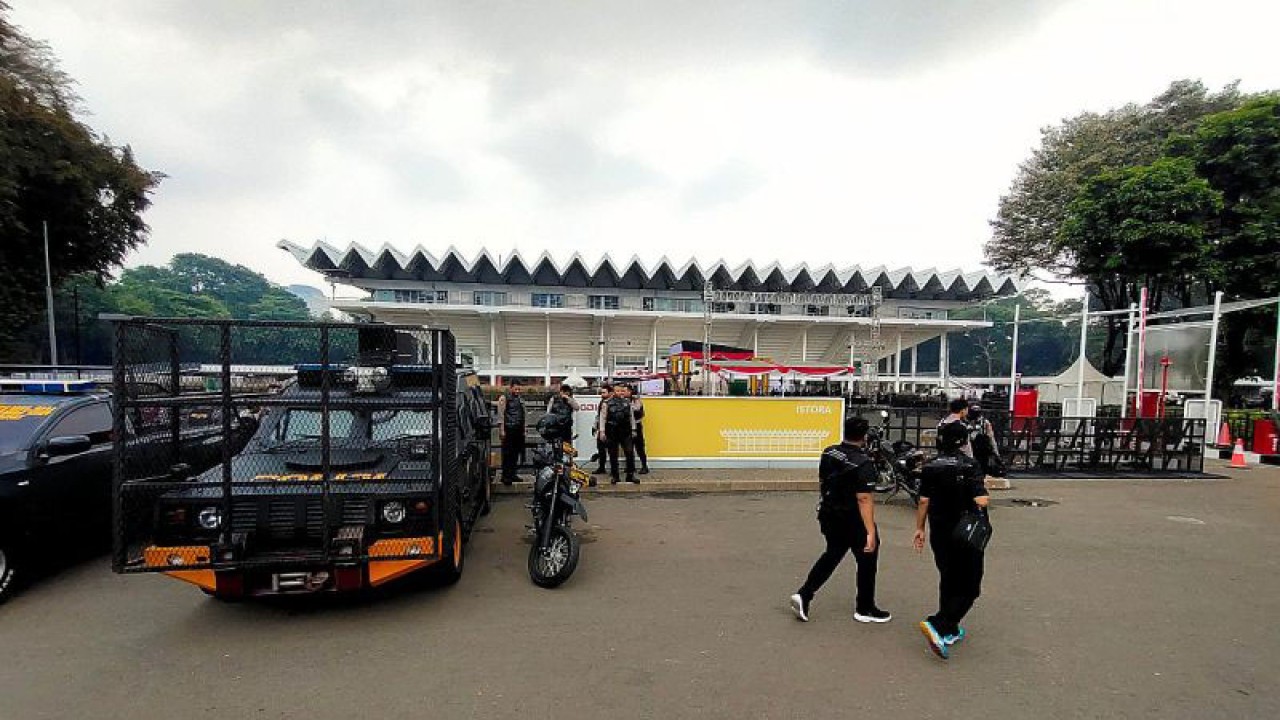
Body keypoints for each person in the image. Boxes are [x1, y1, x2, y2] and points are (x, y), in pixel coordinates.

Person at [789, 416, 891, 624]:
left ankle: (805, 594)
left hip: (829, 514)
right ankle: (865, 608)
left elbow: (822, 480)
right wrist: (870, 531)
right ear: (864, 436)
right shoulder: (863, 463)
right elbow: (864, 499)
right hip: (852, 519)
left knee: (833, 554)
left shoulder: (829, 451)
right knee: (867, 559)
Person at [913, 421, 990, 660]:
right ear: (964, 441)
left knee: (948, 577)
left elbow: (923, 500)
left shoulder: (930, 465)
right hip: (965, 532)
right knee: (971, 585)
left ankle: (949, 628)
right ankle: (940, 624)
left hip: (940, 530)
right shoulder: (970, 464)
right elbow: (981, 500)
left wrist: (919, 528)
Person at [598, 383, 638, 484]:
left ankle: (630, 475)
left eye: (622, 391)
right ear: (613, 392)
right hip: (612, 431)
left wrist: (633, 429)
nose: (620, 393)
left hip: (626, 431)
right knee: (613, 454)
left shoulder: (627, 403)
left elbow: (631, 417)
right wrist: (602, 431)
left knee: (629, 452)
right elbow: (602, 418)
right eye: (618, 391)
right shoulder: (606, 403)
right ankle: (615, 476)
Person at [496, 382, 526, 484]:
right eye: (516, 389)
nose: (517, 391)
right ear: (511, 388)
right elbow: (501, 415)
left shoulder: (520, 399)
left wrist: (524, 429)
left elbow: (523, 414)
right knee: (507, 454)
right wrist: (502, 429)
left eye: (519, 389)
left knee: (516, 453)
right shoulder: (504, 398)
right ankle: (506, 476)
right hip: (508, 429)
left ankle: (513, 474)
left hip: (518, 429)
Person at [592, 385, 613, 475]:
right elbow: (599, 416)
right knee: (601, 449)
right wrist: (595, 426)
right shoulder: (602, 402)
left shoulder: (613, 403)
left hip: (610, 429)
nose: (602, 394)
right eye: (601, 393)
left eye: (604, 392)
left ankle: (613, 469)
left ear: (610, 393)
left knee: (612, 450)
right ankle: (601, 467)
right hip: (601, 429)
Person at [630, 385, 650, 475]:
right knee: (628, 448)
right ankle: (631, 467)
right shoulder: (624, 401)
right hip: (627, 426)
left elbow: (638, 411)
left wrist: (635, 400)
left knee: (639, 447)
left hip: (637, 425)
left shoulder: (637, 401)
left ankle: (644, 466)